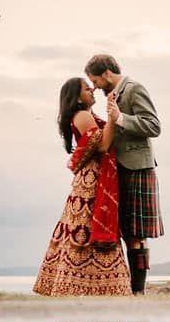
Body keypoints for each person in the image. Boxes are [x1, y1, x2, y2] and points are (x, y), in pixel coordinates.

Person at [34, 77, 131, 296]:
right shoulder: (84, 115)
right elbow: (104, 145)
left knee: (83, 227)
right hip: (92, 180)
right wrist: (112, 115)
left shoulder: (82, 115)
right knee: (86, 227)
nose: (92, 90)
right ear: (77, 97)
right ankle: (92, 285)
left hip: (91, 178)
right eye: (87, 89)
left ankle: (86, 284)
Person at [83, 54, 163, 295]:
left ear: (107, 73)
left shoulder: (134, 89)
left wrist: (121, 118)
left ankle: (138, 292)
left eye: (95, 80)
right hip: (117, 170)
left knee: (137, 235)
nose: (94, 86)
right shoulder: (112, 95)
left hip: (137, 167)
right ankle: (127, 290)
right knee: (126, 232)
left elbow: (154, 126)